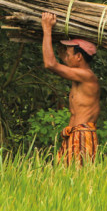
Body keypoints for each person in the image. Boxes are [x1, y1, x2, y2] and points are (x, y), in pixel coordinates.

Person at [41, 12, 100, 165]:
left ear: (79, 57)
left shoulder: (87, 76)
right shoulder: (79, 74)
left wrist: (47, 29)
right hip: (73, 134)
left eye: (69, 54)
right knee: (65, 179)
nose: (66, 57)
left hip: (82, 136)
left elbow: (50, 64)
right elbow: (62, 64)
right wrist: (62, 52)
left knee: (79, 179)